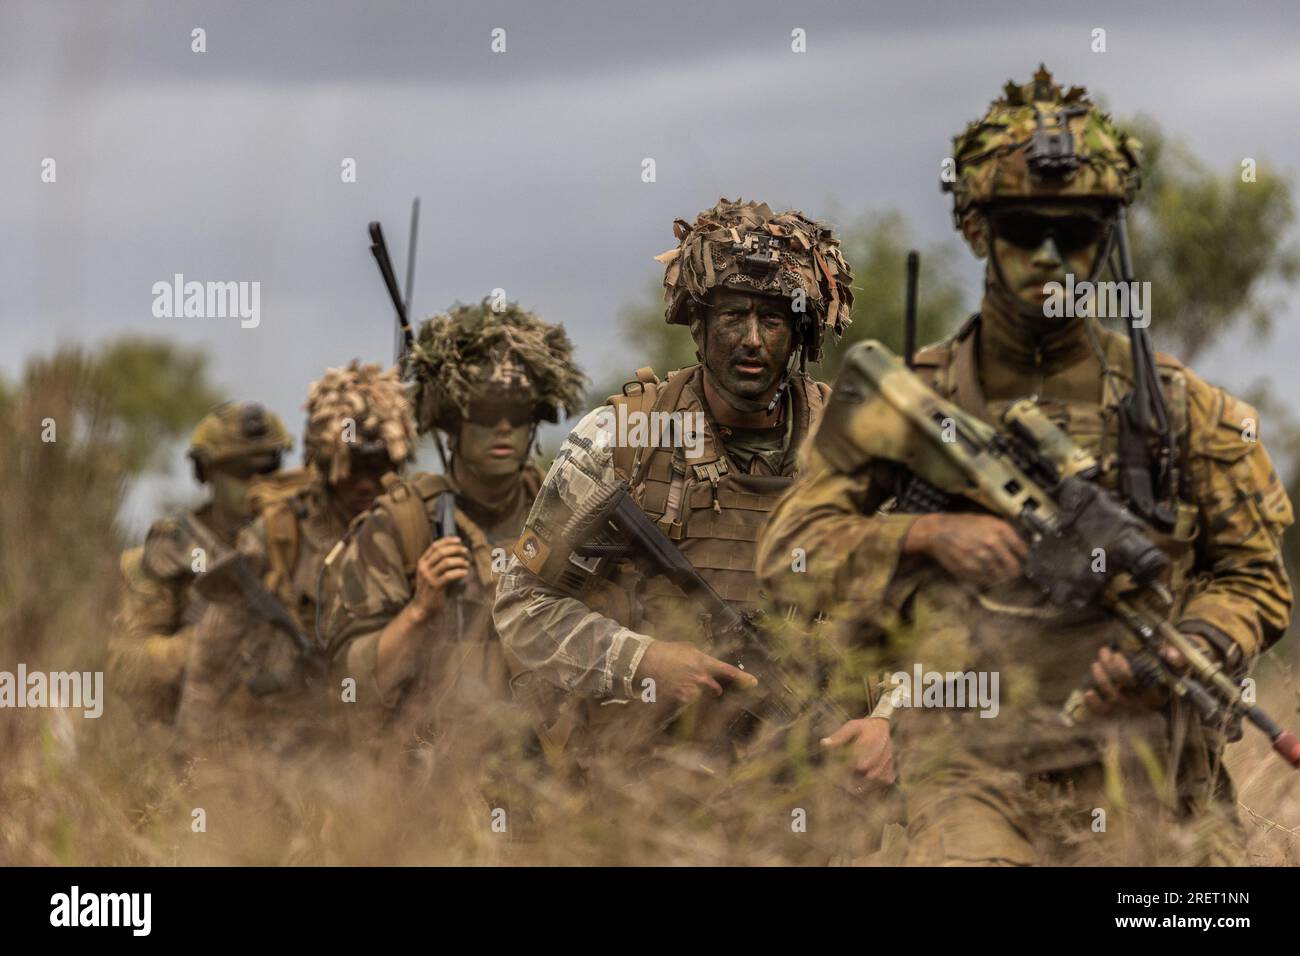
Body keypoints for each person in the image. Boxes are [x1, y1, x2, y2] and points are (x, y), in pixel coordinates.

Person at [757, 66, 1294, 865]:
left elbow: (1255, 575)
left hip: (1148, 771)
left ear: (1105, 238)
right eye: (1022, 228)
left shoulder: (1187, 410)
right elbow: (788, 560)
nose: (1049, 255)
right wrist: (928, 536)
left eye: (1074, 232)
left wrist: (1195, 643)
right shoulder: (904, 401)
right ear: (978, 231)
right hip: (970, 772)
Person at [320, 300, 585, 756]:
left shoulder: (569, 519)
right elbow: (349, 689)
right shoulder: (399, 524)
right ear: (451, 424)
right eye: (484, 411)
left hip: (551, 785)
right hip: (426, 787)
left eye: (518, 412)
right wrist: (420, 611)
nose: (503, 426)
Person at [175, 361, 416, 746]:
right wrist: (194, 765)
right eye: (355, 466)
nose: (369, 482)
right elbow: (210, 659)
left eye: (381, 464)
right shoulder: (279, 534)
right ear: (325, 462)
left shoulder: (416, 531)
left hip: (391, 738)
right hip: (292, 738)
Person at [110, 401, 291, 723]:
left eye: (269, 470)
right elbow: (126, 669)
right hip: (188, 742)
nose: (258, 485)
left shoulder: (295, 544)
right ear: (206, 473)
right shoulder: (167, 554)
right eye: (241, 473)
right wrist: (202, 642)